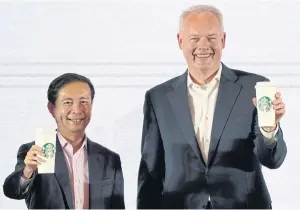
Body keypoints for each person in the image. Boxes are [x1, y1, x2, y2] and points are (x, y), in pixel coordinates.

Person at [137, 4, 287, 209]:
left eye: (211, 38)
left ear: (223, 40)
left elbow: (272, 160)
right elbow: (151, 173)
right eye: (194, 39)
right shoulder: (158, 98)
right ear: (180, 42)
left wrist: (269, 129)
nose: (203, 46)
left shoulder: (253, 88)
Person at [3, 73, 125, 209]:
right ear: (52, 109)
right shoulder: (35, 151)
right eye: (68, 102)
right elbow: (13, 191)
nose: (77, 110)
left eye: (84, 101)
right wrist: (28, 171)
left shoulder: (109, 159)